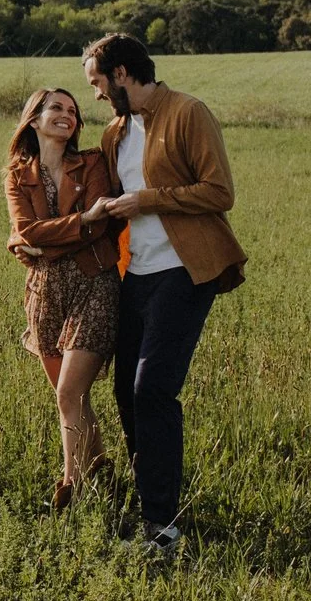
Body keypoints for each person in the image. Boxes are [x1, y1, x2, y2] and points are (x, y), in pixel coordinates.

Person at [79, 34, 247, 555]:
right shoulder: (115, 132)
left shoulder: (188, 113)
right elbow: (109, 199)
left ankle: (163, 527)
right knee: (125, 392)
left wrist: (147, 200)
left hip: (185, 270)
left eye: (98, 82)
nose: (97, 94)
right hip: (137, 272)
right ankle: (153, 504)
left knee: (152, 389)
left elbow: (220, 192)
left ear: (122, 73)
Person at [3, 87, 122, 510]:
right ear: (34, 118)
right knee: (73, 398)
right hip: (45, 294)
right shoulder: (17, 175)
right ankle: (102, 473)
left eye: (72, 111)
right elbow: (27, 230)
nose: (67, 115)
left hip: (94, 285)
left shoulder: (91, 163)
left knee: (69, 393)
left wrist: (41, 242)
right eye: (56, 108)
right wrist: (70, 225)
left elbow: (98, 225)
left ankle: (70, 488)